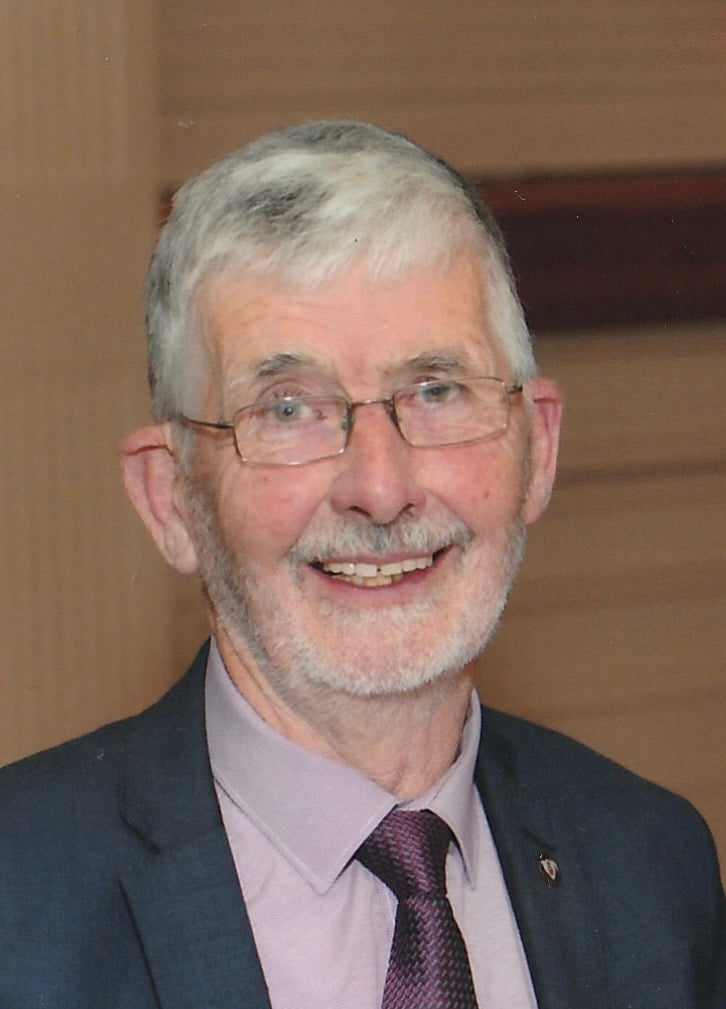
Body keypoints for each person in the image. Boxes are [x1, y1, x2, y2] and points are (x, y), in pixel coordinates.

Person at [0, 121, 723, 1009]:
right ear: (171, 499)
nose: (380, 489)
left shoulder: (652, 869)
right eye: (289, 408)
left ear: (537, 450)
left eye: (436, 389)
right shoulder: (18, 907)